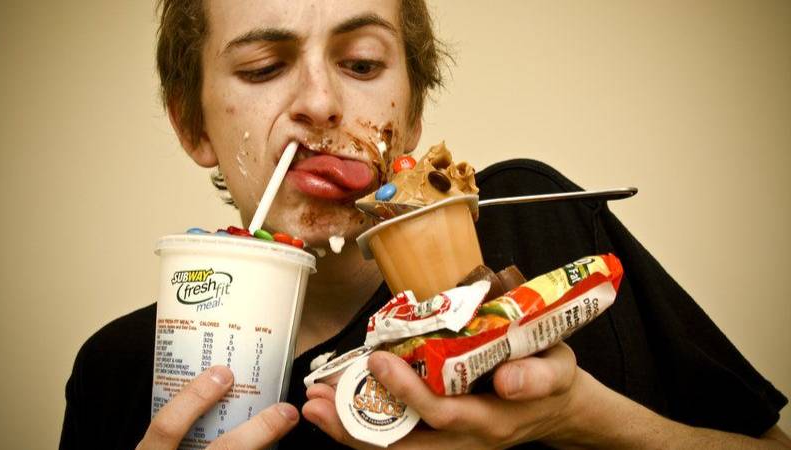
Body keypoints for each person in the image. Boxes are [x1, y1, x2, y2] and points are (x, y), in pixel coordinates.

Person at [60, 1, 790, 449]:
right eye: (262, 68)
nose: (321, 101)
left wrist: (576, 418)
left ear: (410, 114)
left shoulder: (535, 228)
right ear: (193, 125)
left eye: (361, 62)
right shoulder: (121, 370)